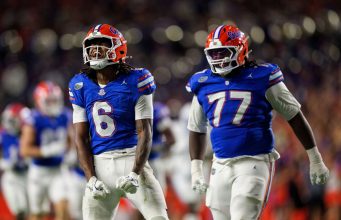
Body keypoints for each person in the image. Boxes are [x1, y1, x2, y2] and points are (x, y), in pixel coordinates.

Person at [186, 24, 330, 220]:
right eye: (214, 53)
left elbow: (294, 116)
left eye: (223, 52)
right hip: (219, 164)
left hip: (254, 161)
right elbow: (196, 128)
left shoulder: (263, 76)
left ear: (240, 50)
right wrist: (195, 170)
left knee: (243, 215)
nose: (218, 59)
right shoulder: (202, 82)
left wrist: (315, 158)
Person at [68, 23, 168, 220]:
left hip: (130, 158)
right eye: (92, 45)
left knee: (158, 218)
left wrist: (135, 172)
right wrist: (90, 178)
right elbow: (80, 138)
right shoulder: (80, 84)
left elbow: (145, 132)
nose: (96, 50)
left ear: (118, 48)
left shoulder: (137, 79)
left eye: (103, 44)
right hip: (100, 164)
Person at [20, 81, 71, 220]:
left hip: (58, 171)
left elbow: (71, 141)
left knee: (63, 210)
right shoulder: (33, 119)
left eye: (55, 100)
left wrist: (71, 152)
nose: (53, 104)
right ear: (39, 101)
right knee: (38, 214)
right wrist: (46, 151)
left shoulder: (65, 115)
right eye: (49, 101)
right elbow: (24, 150)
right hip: (39, 173)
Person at [0, 103, 30, 220]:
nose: (11, 123)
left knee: (33, 211)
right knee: (19, 211)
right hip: (12, 176)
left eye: (14, 120)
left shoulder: (29, 134)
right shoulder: (3, 135)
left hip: (29, 175)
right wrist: (4, 164)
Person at [148, 101, 175, 190]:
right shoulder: (129, 109)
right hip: (132, 161)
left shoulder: (156, 110)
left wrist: (153, 148)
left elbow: (171, 139)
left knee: (158, 195)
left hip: (153, 161)